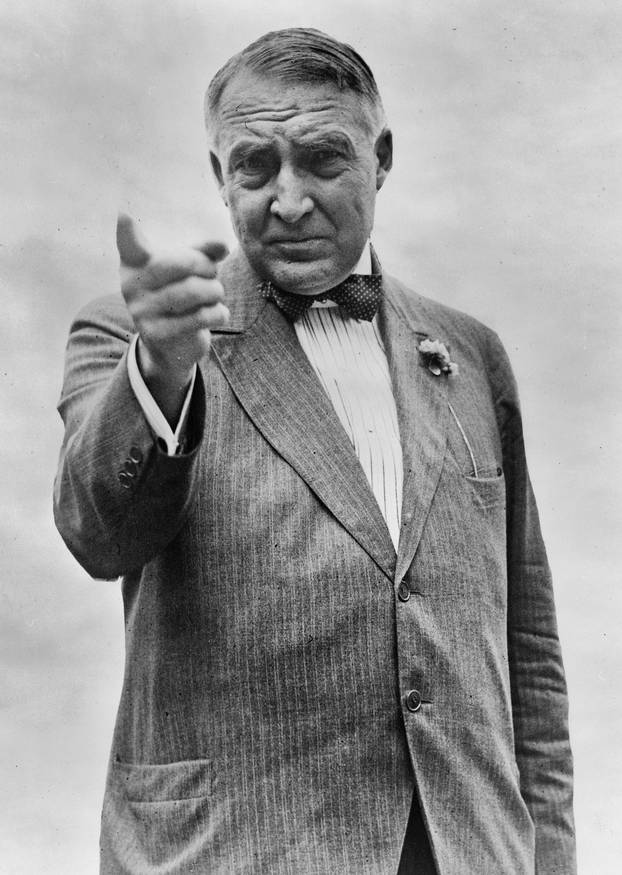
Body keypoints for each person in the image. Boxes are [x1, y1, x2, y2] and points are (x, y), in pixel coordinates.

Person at [53, 27, 576, 875]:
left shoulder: (471, 353)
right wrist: (157, 370)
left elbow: (529, 653)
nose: (288, 199)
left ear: (383, 158)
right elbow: (98, 536)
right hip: (233, 853)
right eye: (256, 166)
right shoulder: (138, 337)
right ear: (220, 177)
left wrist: (546, 858)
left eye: (323, 160)